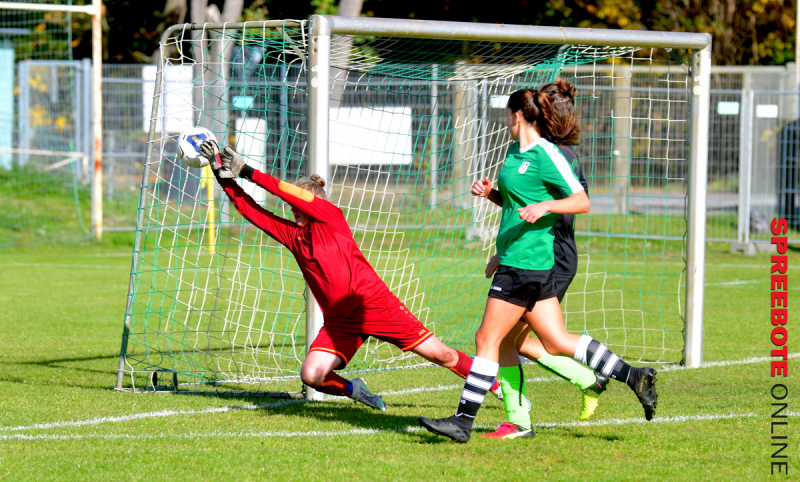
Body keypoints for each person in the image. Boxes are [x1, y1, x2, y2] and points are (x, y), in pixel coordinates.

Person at [417, 86, 658, 443]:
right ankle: (633, 376)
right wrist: (492, 195)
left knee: (488, 339)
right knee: (556, 340)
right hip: (522, 259)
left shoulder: (549, 153)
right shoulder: (516, 151)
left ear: (517, 116)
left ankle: (464, 421)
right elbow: (520, 203)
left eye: (506, 115)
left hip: (527, 264)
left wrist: (545, 208)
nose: (504, 121)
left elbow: (582, 201)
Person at [197, 139, 502, 411]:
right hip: (341, 321)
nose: (291, 209)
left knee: (441, 355)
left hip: (374, 304)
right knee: (312, 375)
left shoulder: (331, 217)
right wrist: (222, 175)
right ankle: (356, 390)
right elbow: (252, 211)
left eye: (297, 204)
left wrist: (247, 171)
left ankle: (494, 383)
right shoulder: (294, 235)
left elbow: (286, 192)